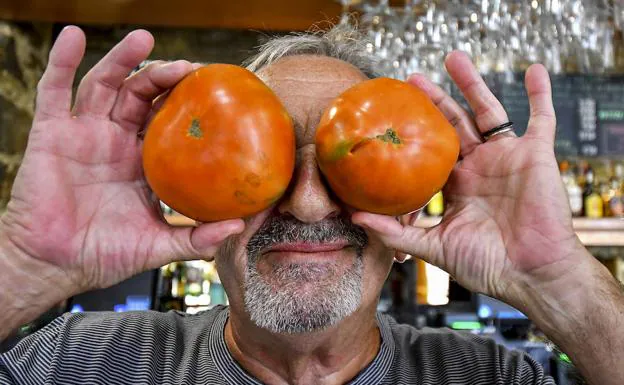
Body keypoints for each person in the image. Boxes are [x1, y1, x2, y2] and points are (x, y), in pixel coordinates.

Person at [0, 23, 622, 385]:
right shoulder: (72, 363)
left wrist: (560, 280)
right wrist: (23, 268)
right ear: (194, 202)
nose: (305, 202)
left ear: (410, 208)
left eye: (352, 166)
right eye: (258, 159)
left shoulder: (494, 379)